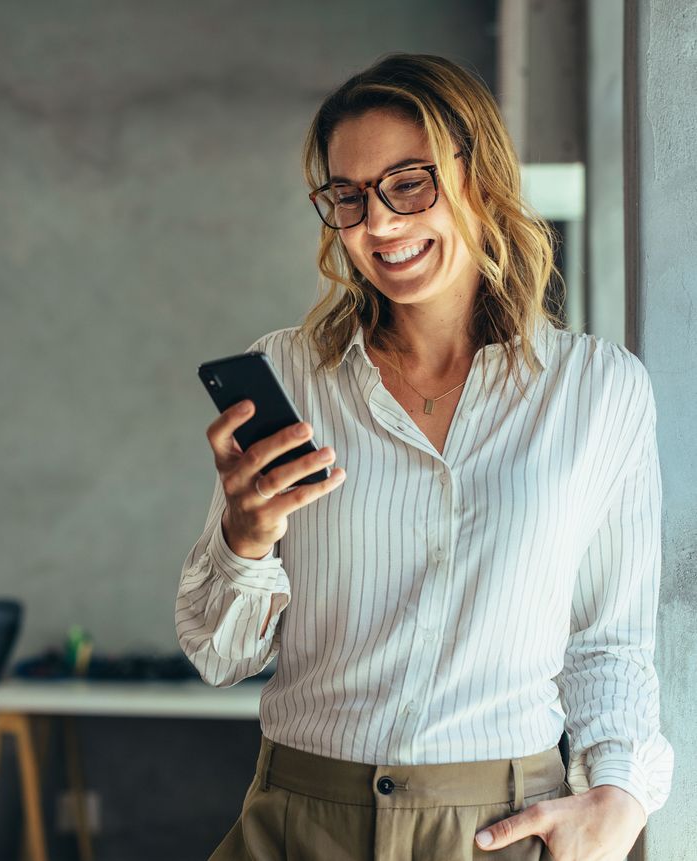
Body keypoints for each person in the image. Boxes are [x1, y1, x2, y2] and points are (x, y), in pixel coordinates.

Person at [175, 53, 672, 861]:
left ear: (481, 178)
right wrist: (244, 536)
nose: (376, 224)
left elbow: (607, 642)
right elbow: (219, 652)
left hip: (497, 828)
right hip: (300, 818)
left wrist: (616, 799)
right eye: (348, 196)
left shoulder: (596, 389)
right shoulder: (292, 376)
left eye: (409, 183)